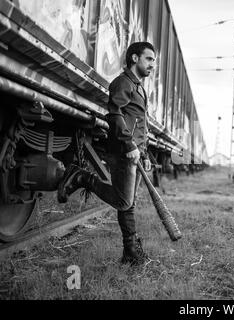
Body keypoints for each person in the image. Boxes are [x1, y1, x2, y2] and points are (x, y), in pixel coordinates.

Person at [57, 42, 156, 266]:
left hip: (136, 152)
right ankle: (82, 177)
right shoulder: (123, 83)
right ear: (134, 58)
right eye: (149, 59)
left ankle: (130, 253)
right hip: (123, 151)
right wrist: (129, 144)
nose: (152, 64)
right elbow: (114, 113)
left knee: (130, 204)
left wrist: (146, 153)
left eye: (153, 60)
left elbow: (141, 124)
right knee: (123, 201)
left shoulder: (138, 87)